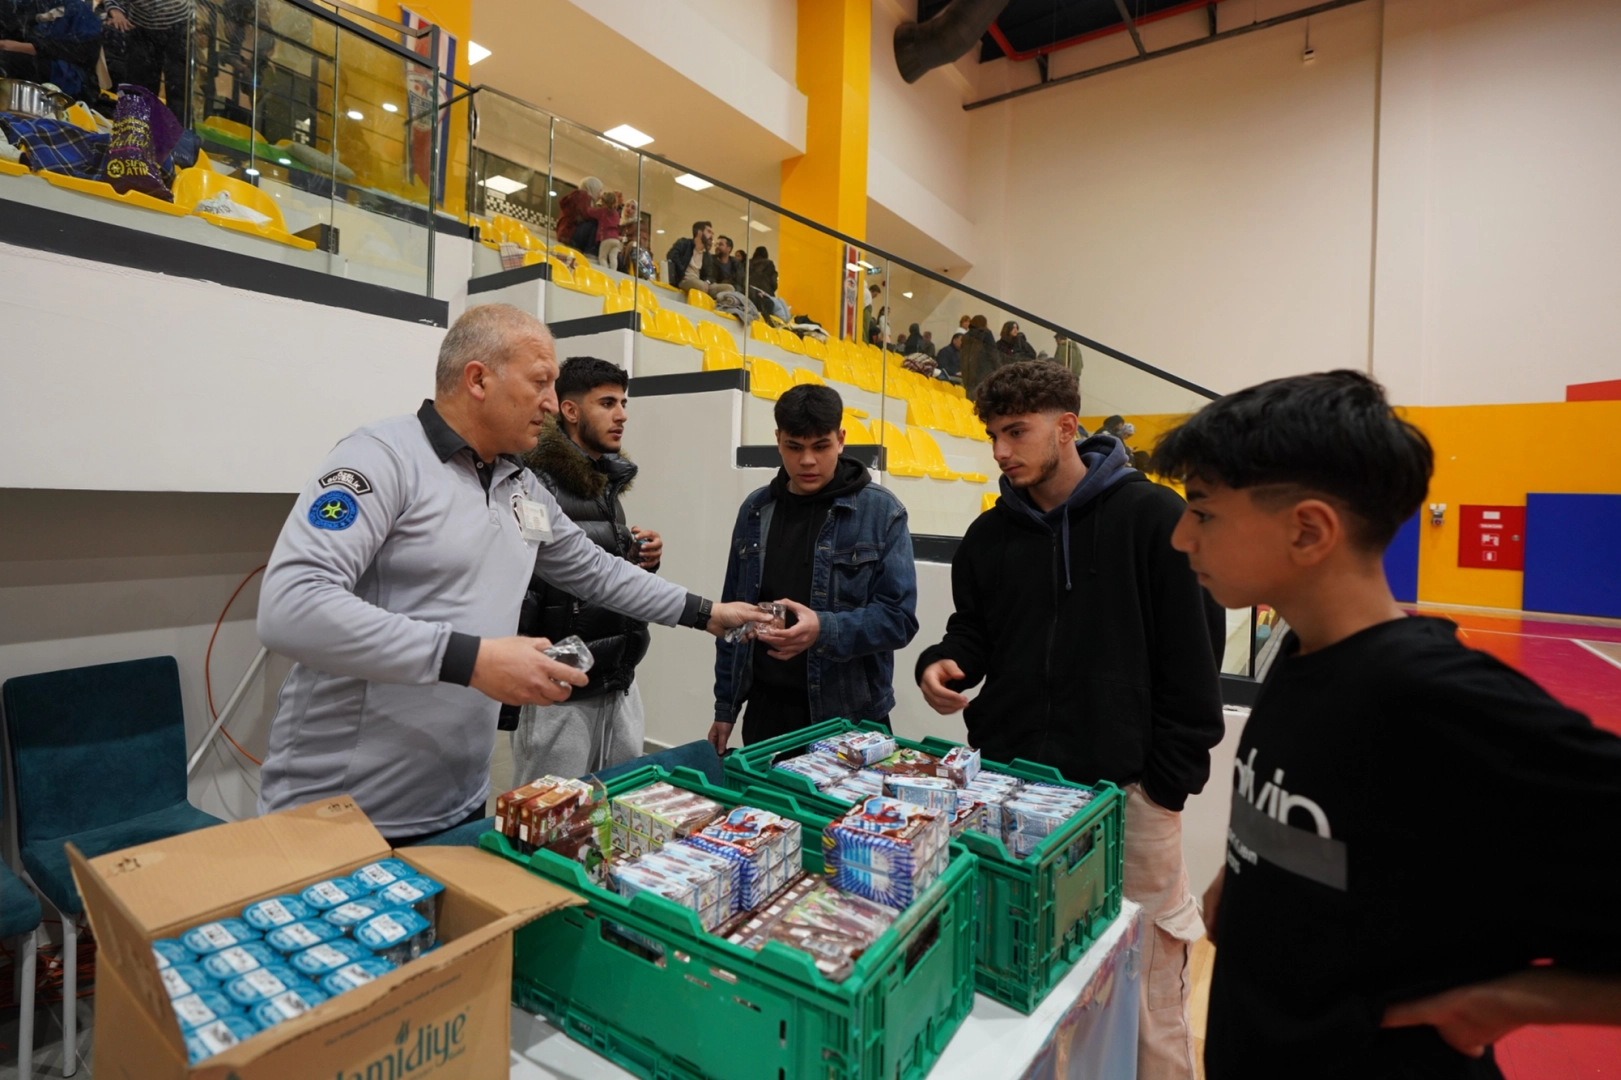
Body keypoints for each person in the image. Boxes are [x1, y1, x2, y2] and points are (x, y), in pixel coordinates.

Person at [1150, 371, 1621, 1078]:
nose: (1180, 537)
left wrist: (1520, 996)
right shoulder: (1300, 646)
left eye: (1203, 512)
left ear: (1308, 529)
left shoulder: (1433, 698)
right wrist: (1245, 877)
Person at [255, 304, 767, 845]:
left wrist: (707, 613)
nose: (552, 403)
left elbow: (595, 570)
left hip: (458, 800)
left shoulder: (517, 484)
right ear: (478, 379)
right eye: (541, 382)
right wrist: (474, 659)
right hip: (340, 811)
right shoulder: (381, 459)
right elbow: (292, 607)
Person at [916, 361, 1223, 1080]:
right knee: (1022, 972)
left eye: (1015, 432)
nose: (1000, 451)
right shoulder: (989, 536)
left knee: (1144, 988)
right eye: (992, 435)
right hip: (1014, 790)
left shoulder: (1152, 519)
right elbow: (974, 632)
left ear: (1066, 428)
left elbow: (1193, 657)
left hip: (1131, 793)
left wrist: (1164, 786)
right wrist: (941, 661)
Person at [710, 383, 919, 751]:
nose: (807, 460)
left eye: (820, 446)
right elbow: (732, 617)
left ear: (840, 439)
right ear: (778, 440)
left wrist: (824, 629)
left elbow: (898, 620)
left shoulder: (882, 511)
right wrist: (725, 707)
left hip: (851, 718)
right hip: (766, 716)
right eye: (794, 447)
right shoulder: (755, 511)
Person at [510, 356, 662, 781]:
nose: (622, 415)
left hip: (617, 678)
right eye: (608, 403)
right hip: (561, 690)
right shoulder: (536, 483)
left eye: (623, 403)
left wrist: (640, 558)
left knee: (615, 813)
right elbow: (529, 589)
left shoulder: (602, 482)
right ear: (571, 411)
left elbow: (598, 570)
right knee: (547, 821)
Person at [0, 0, 102, 102]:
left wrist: (29, 48)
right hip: (29, 60)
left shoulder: (77, 8)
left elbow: (84, 54)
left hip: (65, 73)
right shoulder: (21, 5)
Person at [103, 0, 190, 118]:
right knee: (140, 89)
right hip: (142, 28)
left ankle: (178, 130)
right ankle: (137, 128)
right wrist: (116, 12)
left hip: (178, 24)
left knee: (179, 89)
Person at [666, 220, 735, 298]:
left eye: (712, 233)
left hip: (702, 283)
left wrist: (707, 282)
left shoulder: (707, 255)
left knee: (729, 288)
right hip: (684, 281)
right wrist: (681, 273)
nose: (711, 235)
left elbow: (709, 275)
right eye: (709, 232)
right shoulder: (684, 243)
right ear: (700, 233)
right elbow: (671, 255)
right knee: (700, 285)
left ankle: (718, 306)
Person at [556, 177, 603, 253]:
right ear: (594, 188)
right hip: (570, 233)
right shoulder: (583, 195)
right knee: (596, 222)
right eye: (599, 190)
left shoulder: (579, 196)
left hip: (565, 233)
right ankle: (591, 251)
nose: (600, 194)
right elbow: (585, 214)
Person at [957, 314, 1000, 395]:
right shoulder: (986, 333)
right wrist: (999, 369)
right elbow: (993, 353)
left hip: (969, 373)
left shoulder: (966, 336)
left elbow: (962, 355)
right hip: (984, 371)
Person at [747, 245, 790, 321]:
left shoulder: (748, 263)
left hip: (751, 293)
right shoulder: (769, 264)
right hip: (766, 294)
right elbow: (773, 281)